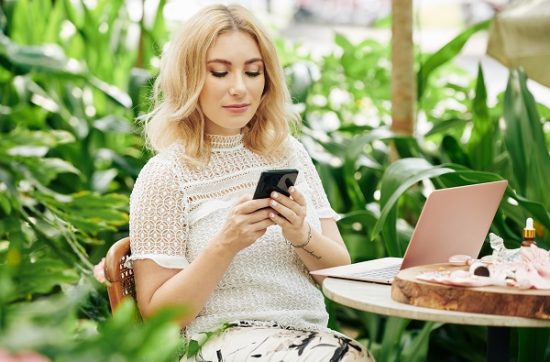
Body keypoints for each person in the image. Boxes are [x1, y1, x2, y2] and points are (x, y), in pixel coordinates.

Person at [128, 4, 373, 361]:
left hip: (310, 341)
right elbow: (161, 316)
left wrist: (301, 235)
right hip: (222, 344)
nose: (239, 88)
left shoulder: (288, 153)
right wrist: (226, 244)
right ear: (189, 77)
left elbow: (338, 273)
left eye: (253, 71)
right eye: (219, 72)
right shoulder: (165, 175)